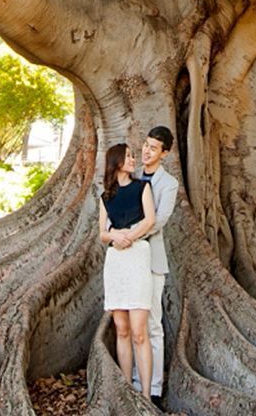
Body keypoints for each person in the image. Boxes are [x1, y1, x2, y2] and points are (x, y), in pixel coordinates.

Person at [99, 141, 156, 398]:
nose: (134, 159)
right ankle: (127, 391)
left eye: (134, 155)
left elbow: (150, 219)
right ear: (117, 162)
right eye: (129, 156)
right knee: (121, 328)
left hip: (137, 256)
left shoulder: (142, 187)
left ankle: (145, 394)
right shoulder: (106, 196)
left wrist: (128, 237)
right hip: (116, 262)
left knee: (139, 331)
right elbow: (102, 233)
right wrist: (114, 237)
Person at [136, 125, 179, 399]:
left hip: (152, 259)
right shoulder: (131, 176)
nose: (146, 151)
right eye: (145, 144)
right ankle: (133, 381)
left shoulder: (169, 184)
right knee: (130, 323)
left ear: (164, 153)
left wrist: (131, 233)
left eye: (153, 148)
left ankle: (152, 388)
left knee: (152, 323)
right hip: (128, 261)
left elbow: (160, 220)